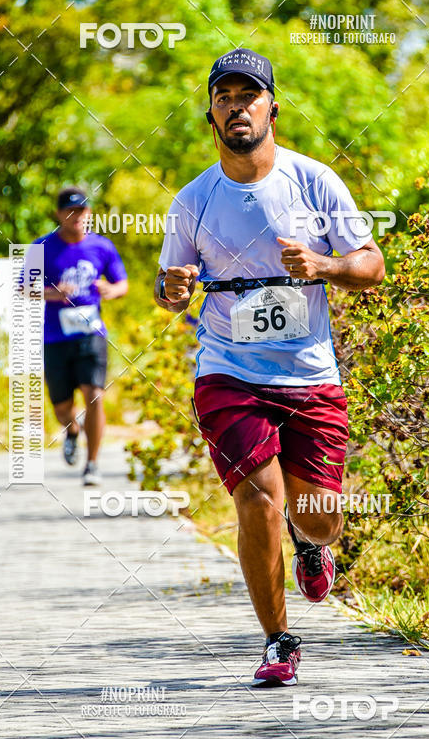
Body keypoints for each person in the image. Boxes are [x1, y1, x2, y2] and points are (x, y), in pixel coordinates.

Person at [155, 48, 385, 686]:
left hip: (309, 374)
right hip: (227, 370)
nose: (237, 107)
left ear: (271, 108)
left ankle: (311, 545)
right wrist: (172, 289)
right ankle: (278, 641)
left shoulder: (315, 182)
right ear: (211, 115)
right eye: (224, 97)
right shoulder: (193, 200)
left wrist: (326, 266)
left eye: (248, 95)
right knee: (259, 500)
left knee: (316, 513)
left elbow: (372, 265)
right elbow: (169, 286)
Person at [30, 187, 128, 485]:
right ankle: (72, 429)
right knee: (62, 408)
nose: (77, 217)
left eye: (82, 211)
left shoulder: (102, 246)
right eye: (70, 211)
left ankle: (93, 464)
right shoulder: (42, 247)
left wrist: (112, 290)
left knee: (95, 394)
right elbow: (23, 288)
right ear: (59, 214)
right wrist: (53, 293)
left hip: (91, 333)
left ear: (89, 214)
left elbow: (122, 282)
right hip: (56, 338)